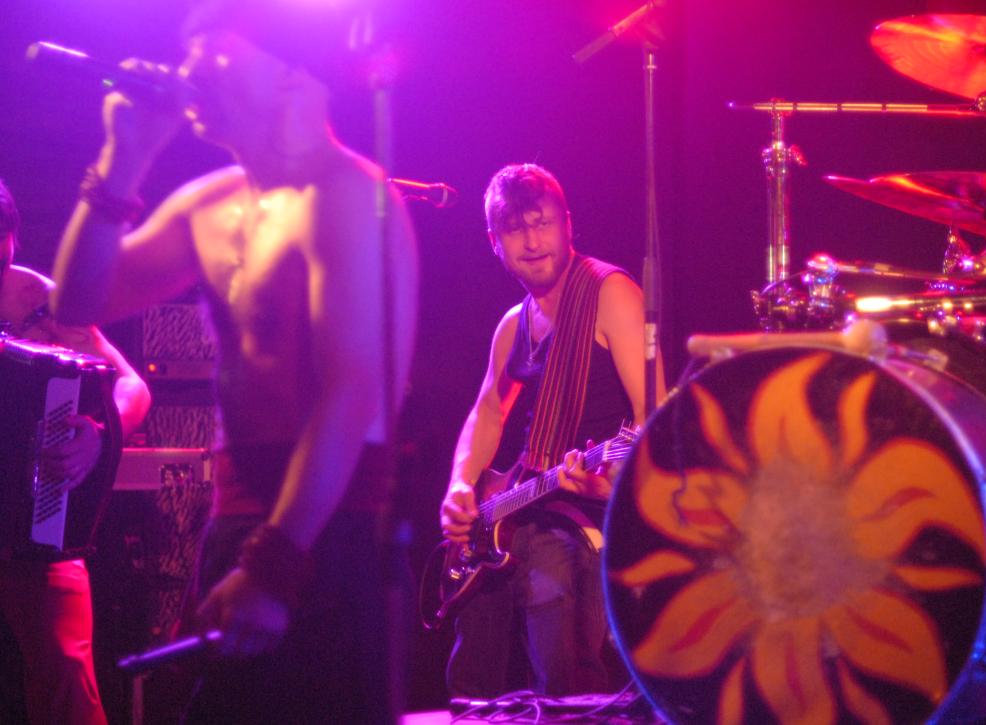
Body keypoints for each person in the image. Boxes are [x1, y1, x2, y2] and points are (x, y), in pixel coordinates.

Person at [49, 1, 419, 722]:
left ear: (288, 71)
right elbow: (78, 298)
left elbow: (352, 394)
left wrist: (274, 565)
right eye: (187, 51)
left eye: (213, 50)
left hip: (330, 531)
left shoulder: (348, 195)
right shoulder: (210, 204)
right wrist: (123, 159)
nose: (189, 70)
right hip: (241, 529)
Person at [439, 162, 663, 697]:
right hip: (521, 506)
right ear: (495, 242)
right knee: (473, 673)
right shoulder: (512, 325)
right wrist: (461, 485)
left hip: (592, 516)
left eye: (542, 223)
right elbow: (487, 413)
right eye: (516, 229)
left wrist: (611, 484)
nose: (533, 242)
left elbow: (655, 419)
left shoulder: (610, 294)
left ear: (568, 224)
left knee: (553, 595)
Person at [0, 178, 151, 724]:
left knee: (65, 670)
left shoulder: (36, 299)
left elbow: (131, 386)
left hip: (35, 532)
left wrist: (102, 431)